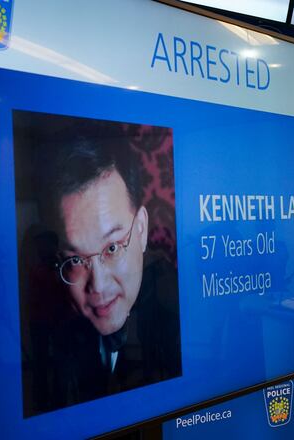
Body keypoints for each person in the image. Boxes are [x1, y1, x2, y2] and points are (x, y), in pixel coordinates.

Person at [31, 136, 181, 413]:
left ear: (141, 230)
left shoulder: (177, 321)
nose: (97, 286)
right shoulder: (61, 333)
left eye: (112, 248)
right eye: (75, 259)